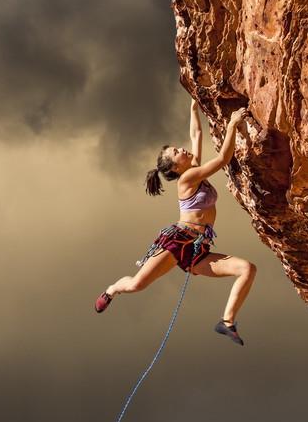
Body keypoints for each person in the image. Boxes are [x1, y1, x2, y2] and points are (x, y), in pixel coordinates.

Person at [94, 100, 256, 346]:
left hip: (198, 248)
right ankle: (112, 289)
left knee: (247, 269)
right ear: (176, 167)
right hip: (177, 241)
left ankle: (226, 322)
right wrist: (233, 123)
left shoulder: (194, 169)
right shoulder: (188, 178)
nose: (182, 149)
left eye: (178, 148)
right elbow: (223, 158)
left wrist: (193, 108)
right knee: (137, 284)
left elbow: (196, 134)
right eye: (176, 153)